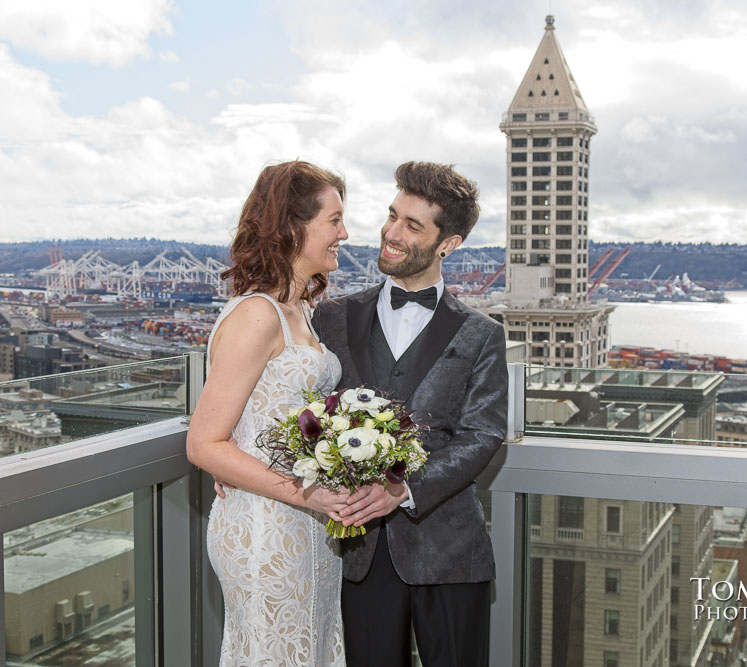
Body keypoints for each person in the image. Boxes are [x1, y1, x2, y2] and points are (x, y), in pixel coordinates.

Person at [312, 161, 508, 667]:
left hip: (451, 552)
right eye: (392, 216)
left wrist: (403, 488)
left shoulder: (481, 333)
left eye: (412, 225)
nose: (391, 233)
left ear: (449, 243)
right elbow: (299, 403)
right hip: (361, 552)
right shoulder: (332, 316)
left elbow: (482, 434)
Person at [186, 160, 351, 666]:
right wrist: (310, 493)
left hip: (310, 524)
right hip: (266, 528)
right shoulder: (257, 314)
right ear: (294, 226)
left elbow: (271, 414)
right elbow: (203, 443)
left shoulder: (299, 309)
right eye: (334, 220)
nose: (344, 233)